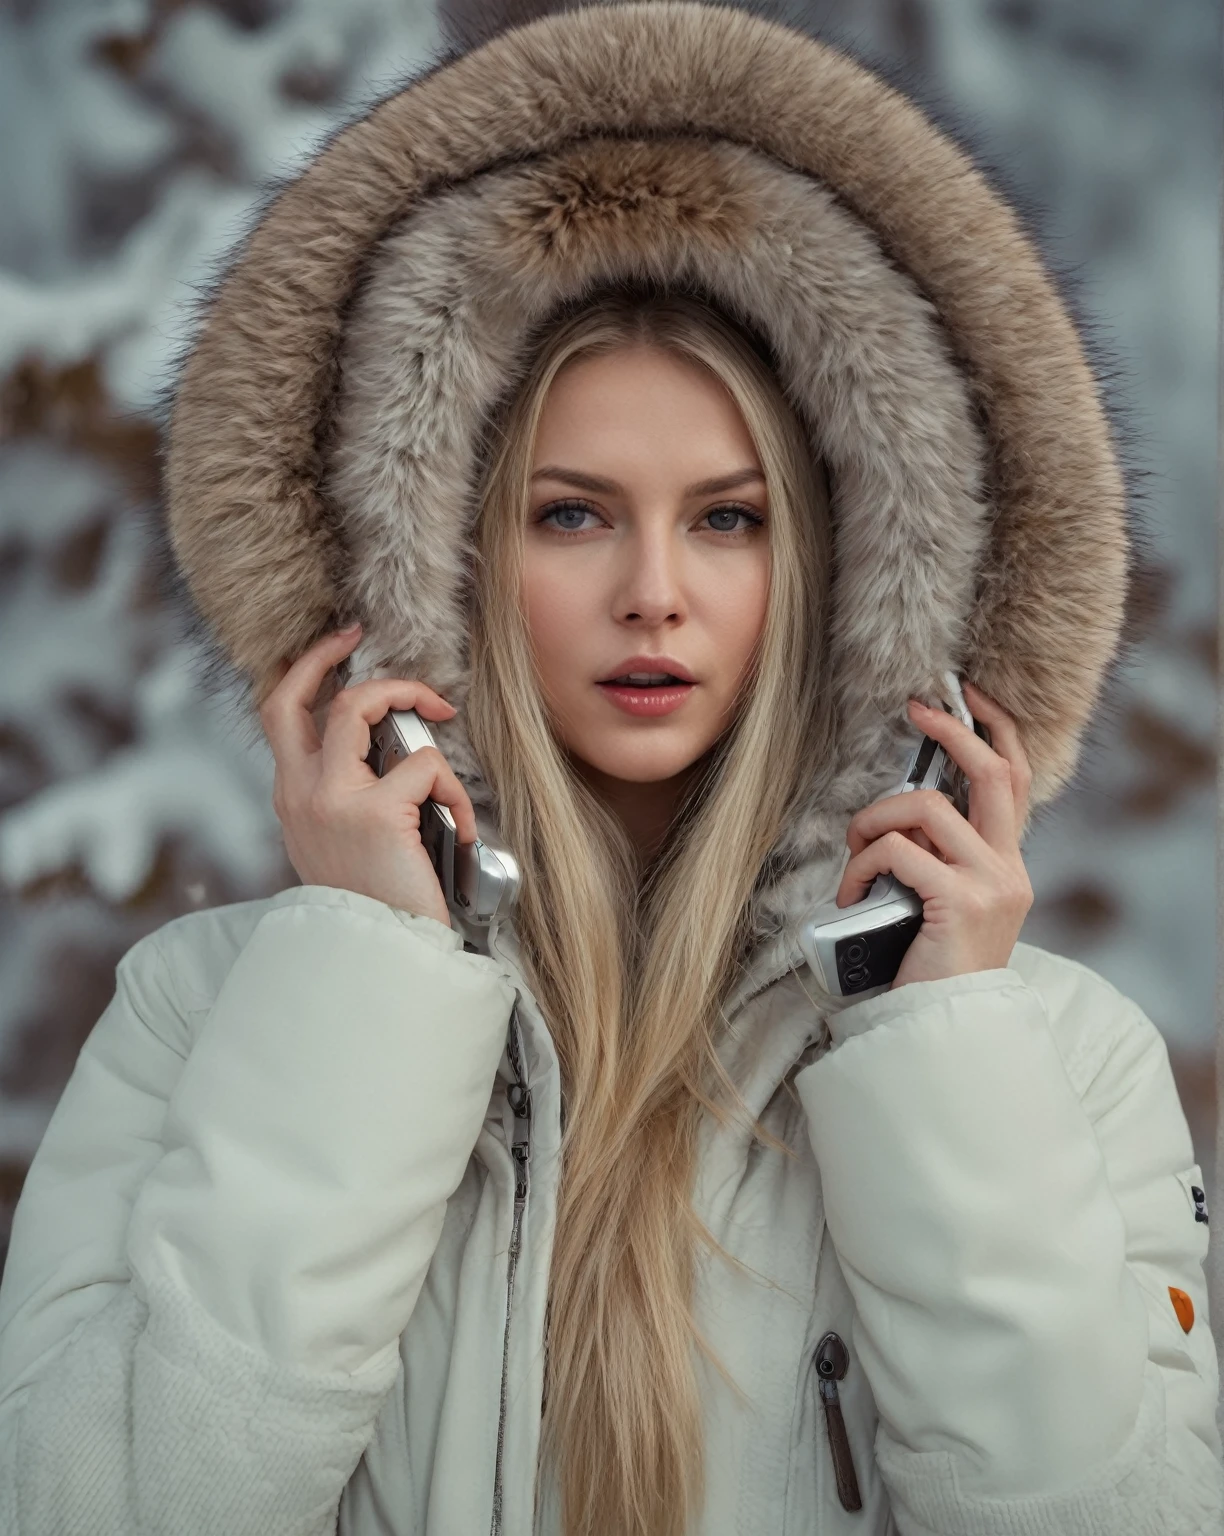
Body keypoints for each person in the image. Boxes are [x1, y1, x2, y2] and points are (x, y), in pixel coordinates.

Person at [0, 6, 1220, 1536]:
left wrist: (943, 1048)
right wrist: (366, 983)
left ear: (847, 563)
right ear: (441, 551)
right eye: (572, 514)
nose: (656, 592)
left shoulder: (1056, 1062)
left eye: (729, 519)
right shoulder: (206, 1022)